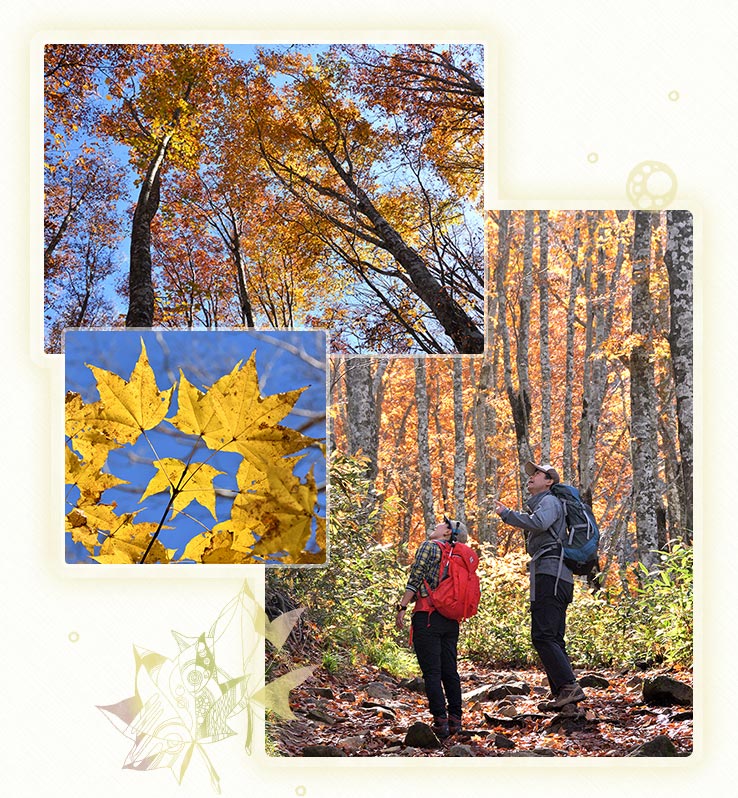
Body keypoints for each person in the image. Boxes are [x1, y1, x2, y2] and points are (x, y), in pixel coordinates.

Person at [494, 461, 585, 710]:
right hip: (556, 574)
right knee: (553, 636)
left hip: (551, 573)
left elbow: (540, 523)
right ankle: (562, 695)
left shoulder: (549, 501)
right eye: (532, 473)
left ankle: (568, 686)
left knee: (543, 635)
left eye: (537, 473)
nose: (531, 476)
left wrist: (507, 515)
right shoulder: (548, 501)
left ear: (549, 481)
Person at [395, 518, 469, 739]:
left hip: (427, 616)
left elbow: (415, 578)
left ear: (447, 532)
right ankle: (456, 721)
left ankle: (440, 722)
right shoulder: (460, 554)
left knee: (432, 673)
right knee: (450, 671)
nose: (435, 525)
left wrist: (402, 606)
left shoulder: (429, 547)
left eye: (441, 524)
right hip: (451, 620)